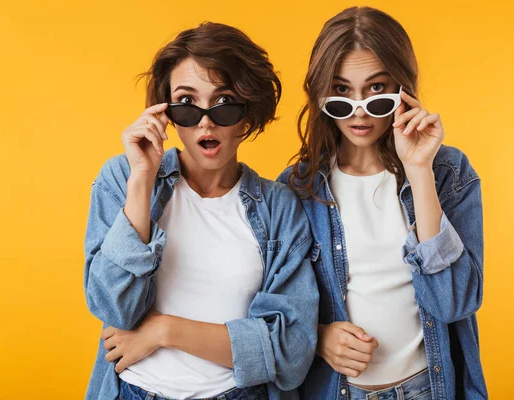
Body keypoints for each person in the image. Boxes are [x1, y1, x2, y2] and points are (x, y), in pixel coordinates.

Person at [84, 22, 318, 400]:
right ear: (167, 113)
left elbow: (291, 352)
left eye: (224, 103)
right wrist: (142, 182)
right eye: (187, 104)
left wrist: (165, 330)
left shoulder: (278, 209)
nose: (206, 120)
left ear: (248, 112)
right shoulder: (124, 178)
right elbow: (115, 308)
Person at [278, 7, 487, 400]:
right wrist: (319, 337)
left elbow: (455, 302)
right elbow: (276, 308)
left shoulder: (448, 173)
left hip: (428, 388)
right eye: (341, 91)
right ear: (320, 92)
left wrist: (419, 169)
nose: (358, 110)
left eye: (376, 90)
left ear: (402, 88)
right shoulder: (295, 191)